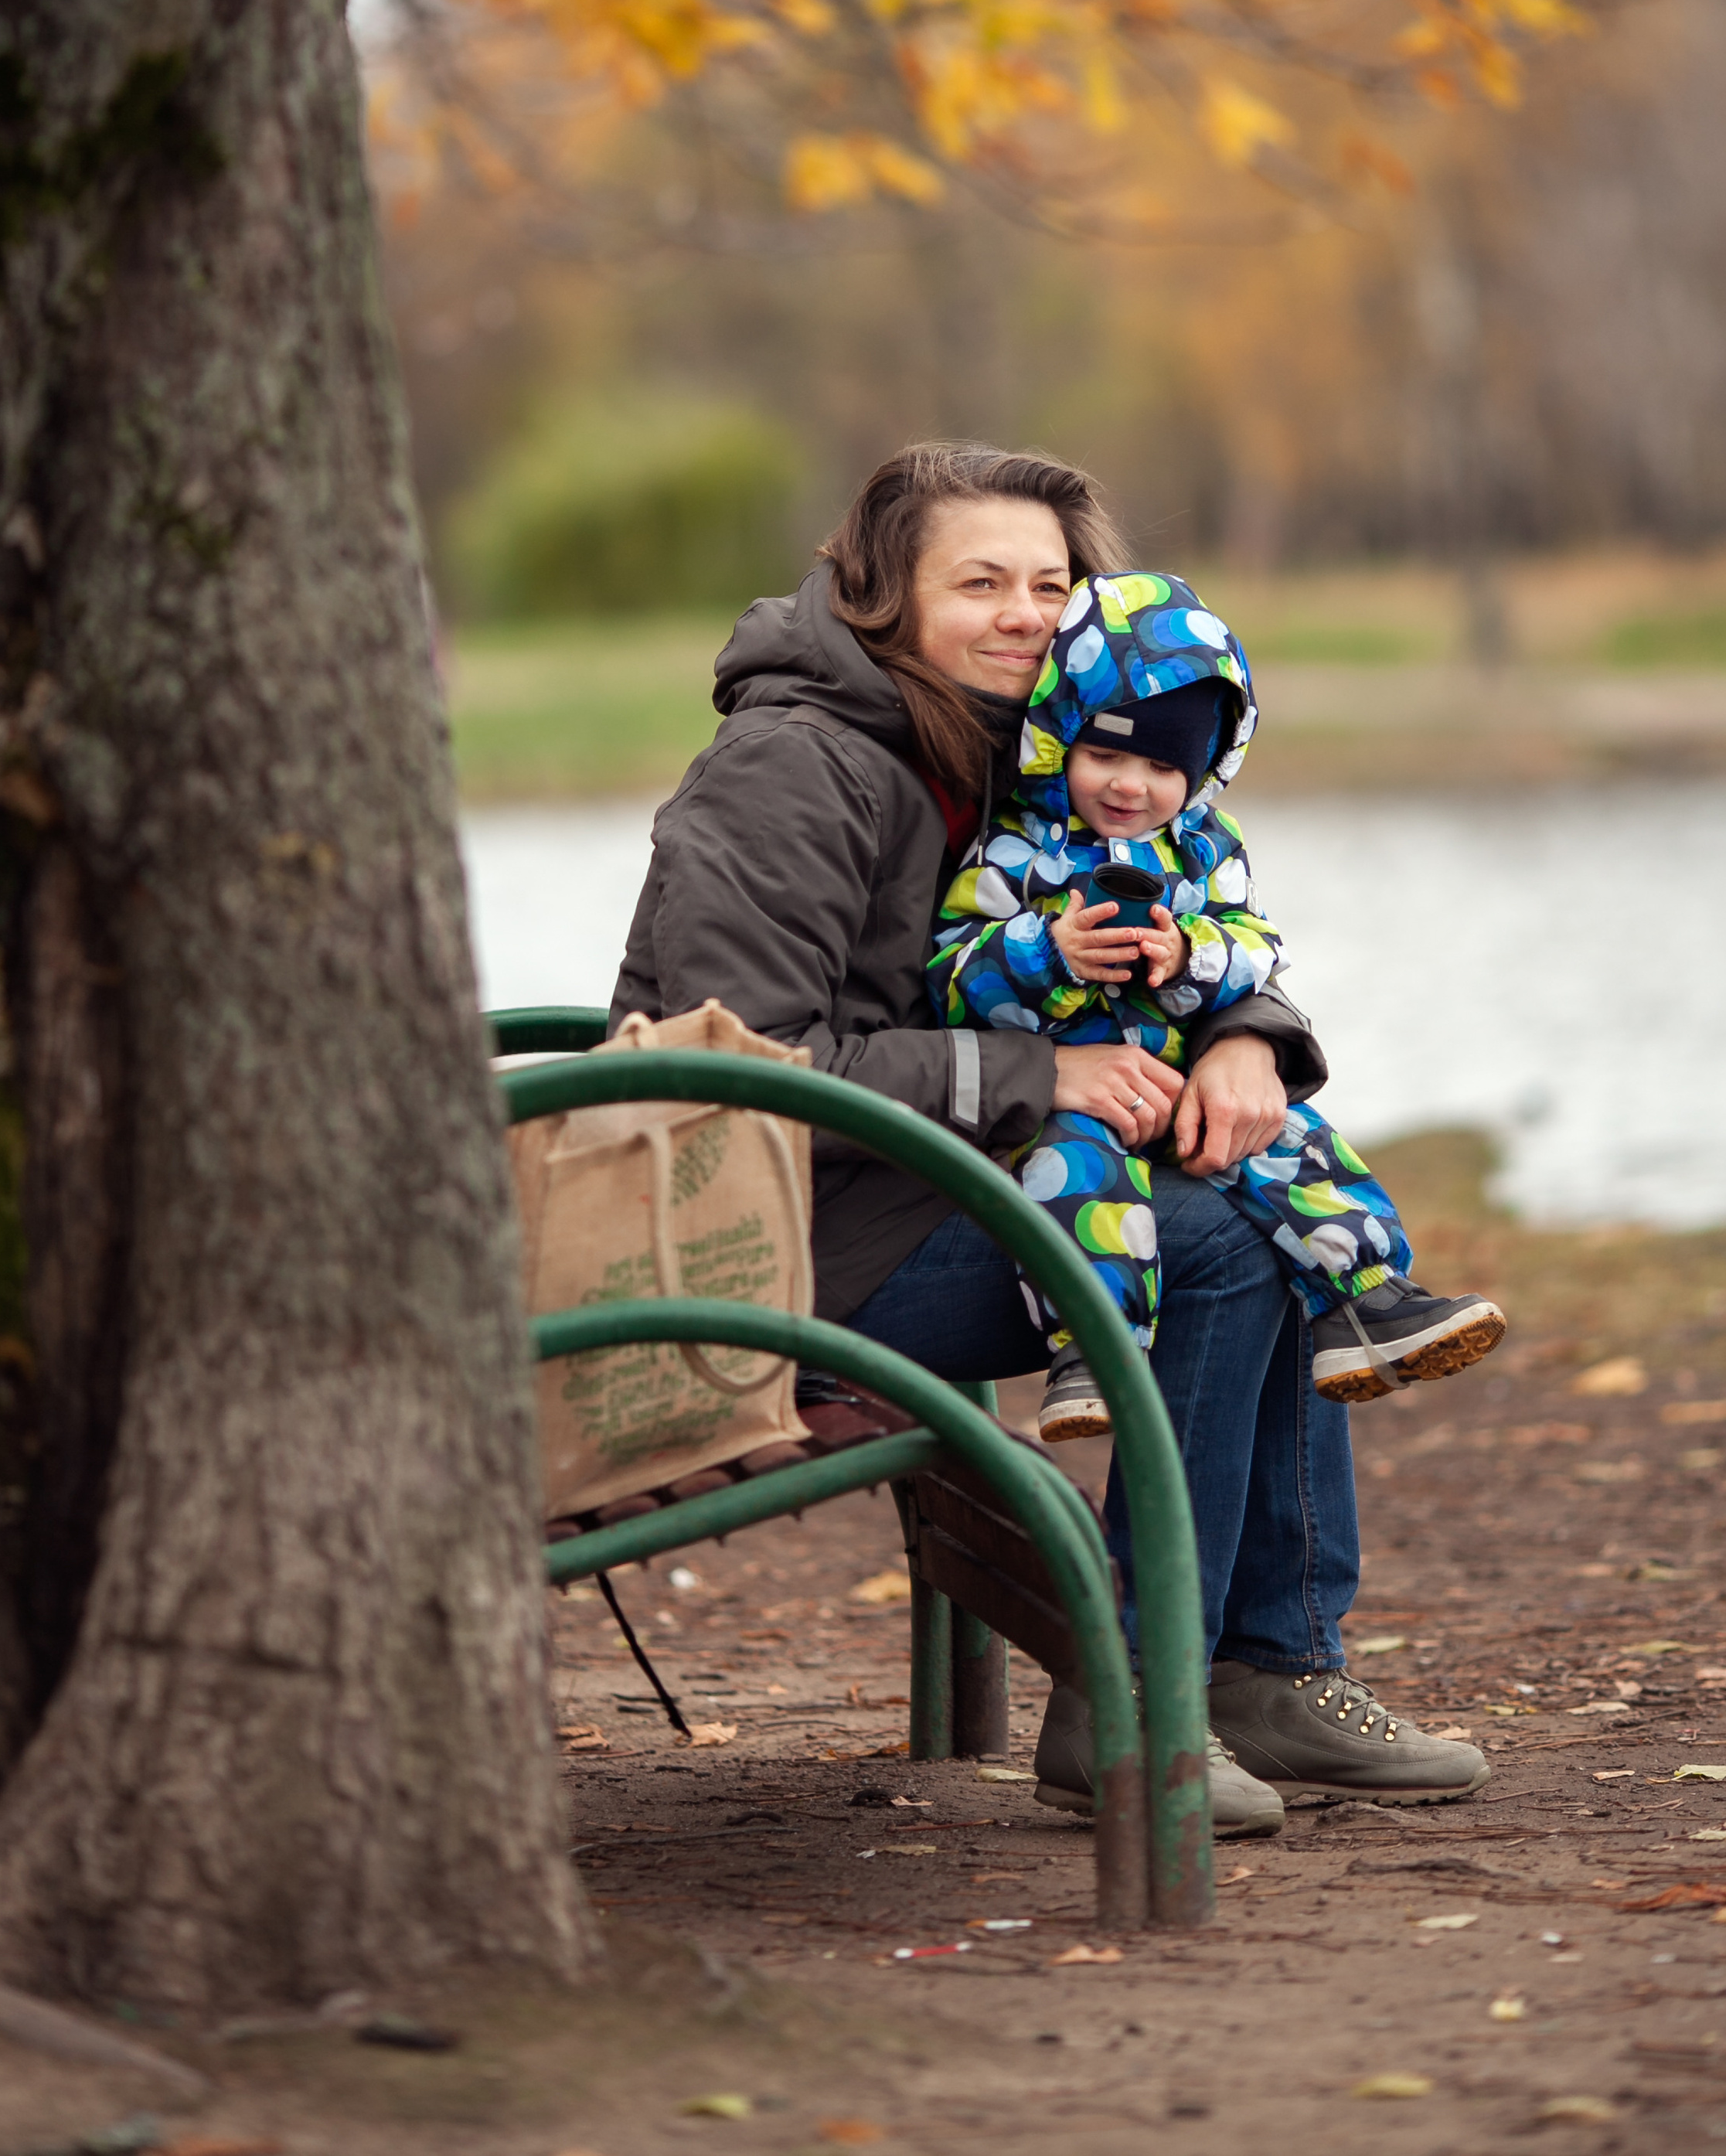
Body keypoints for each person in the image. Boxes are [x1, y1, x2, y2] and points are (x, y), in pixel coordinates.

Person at [611, 441, 1489, 1827]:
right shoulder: (793, 768)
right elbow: (743, 1065)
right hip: (768, 1245)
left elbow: (1176, 918)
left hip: (914, 1189)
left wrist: (1250, 1035)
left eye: (1050, 583)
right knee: (1215, 1244)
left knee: (1241, 1195)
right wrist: (1042, 1075)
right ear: (882, 597)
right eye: (981, 583)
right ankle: (1138, 1698)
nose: (1025, 613)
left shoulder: (1016, 752)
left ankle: (1272, 1672)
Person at [927, 568, 1506, 1440]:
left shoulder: (1206, 850)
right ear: (1059, 735)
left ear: (1202, 769)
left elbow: (1256, 944)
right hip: (1064, 1095)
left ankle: (1363, 1299)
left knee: (1290, 1142)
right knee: (1075, 1181)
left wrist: (1190, 955)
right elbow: (950, 978)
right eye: (1105, 754)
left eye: (1164, 766)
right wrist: (1048, 953)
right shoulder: (1009, 849)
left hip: (1184, 1078)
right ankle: (1094, 1352)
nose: (1131, 786)